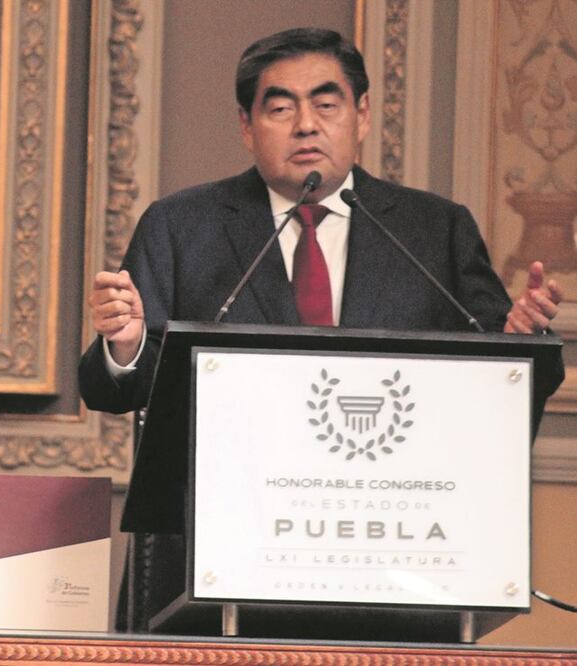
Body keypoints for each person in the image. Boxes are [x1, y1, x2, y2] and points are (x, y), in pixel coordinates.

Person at [79, 27, 565, 630]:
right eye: (280, 107)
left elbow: (496, 384)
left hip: (395, 565)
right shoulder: (182, 227)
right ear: (246, 125)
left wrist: (520, 347)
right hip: (213, 572)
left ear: (360, 115)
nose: (305, 124)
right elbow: (114, 386)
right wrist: (125, 348)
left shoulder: (433, 230)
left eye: (326, 104)